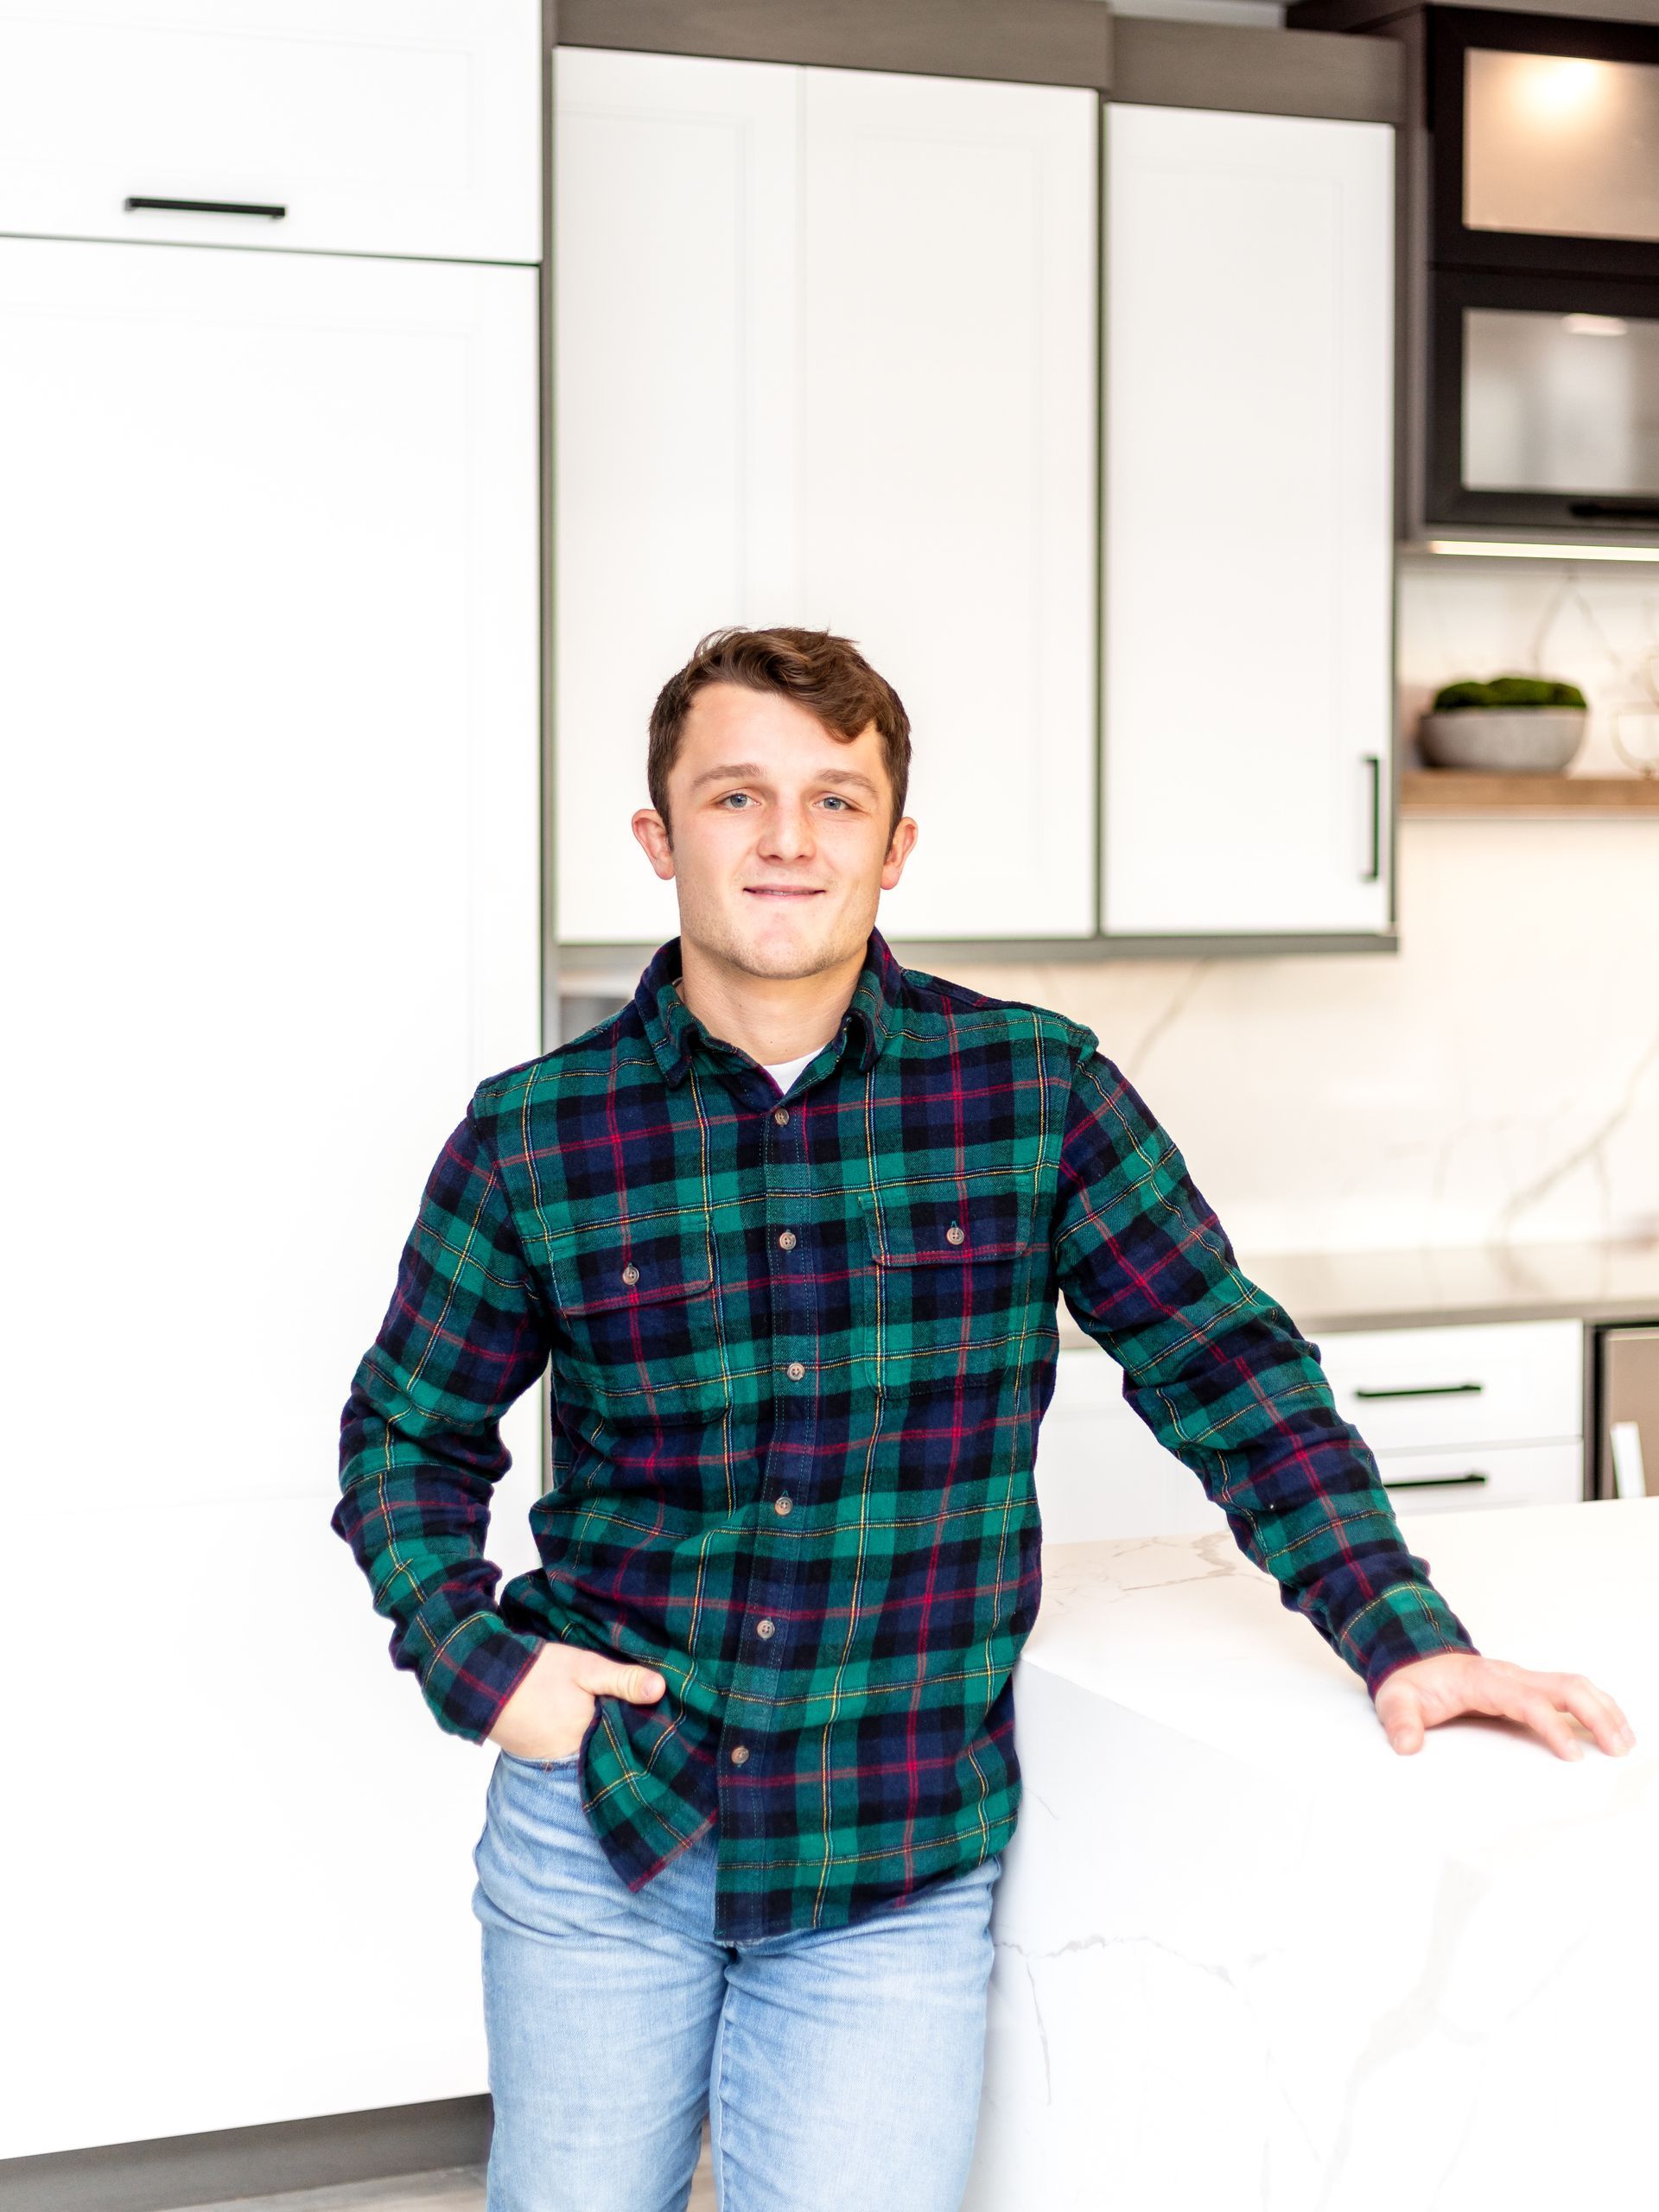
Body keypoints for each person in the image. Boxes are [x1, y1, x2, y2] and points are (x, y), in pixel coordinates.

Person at [332, 624, 1635, 2212]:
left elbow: (1228, 1369)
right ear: (659, 839)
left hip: (892, 1864)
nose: (789, 839)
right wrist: (487, 1670)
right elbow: (406, 1438)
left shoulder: (1033, 1091)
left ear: (898, 846)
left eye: (836, 799)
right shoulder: (535, 1138)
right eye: (737, 797)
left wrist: (1402, 1629)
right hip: (607, 1828)